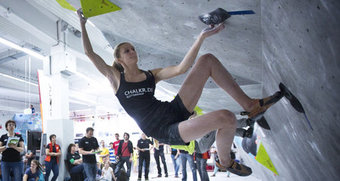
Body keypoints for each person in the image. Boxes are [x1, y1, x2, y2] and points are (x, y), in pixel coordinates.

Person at [78, 7, 283, 176]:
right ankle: (225, 161)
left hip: (173, 109)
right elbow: (89, 53)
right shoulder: (116, 78)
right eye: (127, 51)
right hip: (165, 130)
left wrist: (201, 37)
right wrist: (82, 22)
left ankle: (251, 106)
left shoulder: (151, 75)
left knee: (207, 60)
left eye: (133, 48)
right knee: (227, 117)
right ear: (120, 60)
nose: (132, 51)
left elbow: (181, 69)